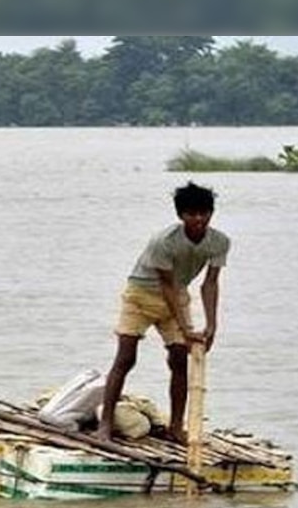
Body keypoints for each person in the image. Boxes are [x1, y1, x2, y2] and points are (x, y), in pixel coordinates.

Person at [96, 181, 230, 444]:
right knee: (125, 358)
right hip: (140, 295)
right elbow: (165, 285)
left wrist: (212, 325)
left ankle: (176, 427)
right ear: (181, 216)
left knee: (180, 358)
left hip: (177, 295)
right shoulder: (164, 241)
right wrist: (186, 328)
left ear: (211, 213)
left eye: (204, 213)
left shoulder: (219, 242)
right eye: (192, 214)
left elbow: (210, 283)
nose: (199, 219)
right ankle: (105, 425)